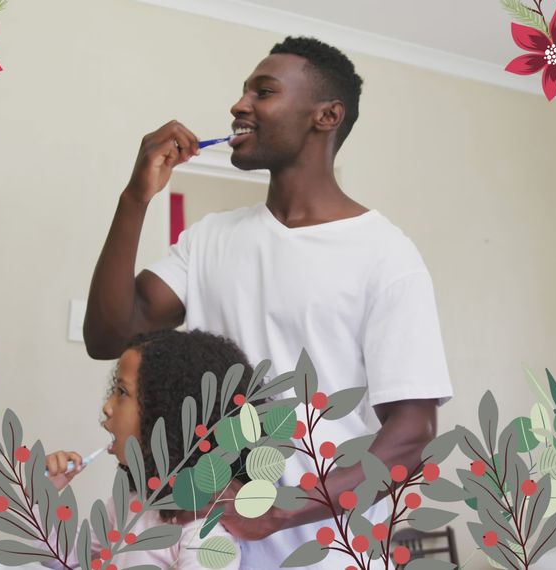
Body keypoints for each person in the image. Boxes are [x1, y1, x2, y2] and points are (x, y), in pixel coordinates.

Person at [82, 36, 453, 569]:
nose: (239, 105)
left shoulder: (386, 255)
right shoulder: (210, 238)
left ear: (326, 116)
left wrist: (278, 511)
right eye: (243, 91)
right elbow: (109, 337)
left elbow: (411, 436)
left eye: (264, 91)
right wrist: (134, 198)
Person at [46, 329, 252, 569]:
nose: (107, 407)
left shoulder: (204, 534)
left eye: (122, 392)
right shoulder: (131, 503)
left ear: (167, 416)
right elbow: (63, 556)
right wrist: (43, 495)